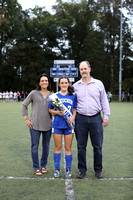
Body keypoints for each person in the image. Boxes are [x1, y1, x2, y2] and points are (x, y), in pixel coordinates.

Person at [73, 61, 110, 179]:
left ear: (90, 69)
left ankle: (98, 170)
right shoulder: (75, 86)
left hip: (95, 118)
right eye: (81, 69)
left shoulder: (98, 84)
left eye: (85, 68)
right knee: (81, 147)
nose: (83, 71)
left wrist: (106, 116)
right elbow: (73, 104)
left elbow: (104, 100)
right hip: (80, 119)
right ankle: (82, 170)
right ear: (79, 71)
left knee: (97, 146)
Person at [22, 73, 52, 176]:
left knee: (46, 146)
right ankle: (36, 168)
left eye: (46, 80)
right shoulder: (33, 93)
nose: (44, 82)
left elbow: (55, 109)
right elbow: (24, 105)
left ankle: (43, 166)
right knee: (35, 146)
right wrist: (26, 119)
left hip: (48, 125)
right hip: (34, 125)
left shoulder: (52, 95)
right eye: (42, 81)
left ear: (48, 82)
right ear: (39, 82)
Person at [49, 76, 77, 178]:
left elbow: (75, 109)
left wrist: (73, 117)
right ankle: (57, 169)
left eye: (66, 83)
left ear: (68, 84)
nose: (64, 85)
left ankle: (68, 169)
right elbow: (50, 110)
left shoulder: (73, 96)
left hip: (69, 125)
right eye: (62, 83)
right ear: (59, 84)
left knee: (68, 147)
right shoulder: (54, 96)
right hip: (57, 125)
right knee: (58, 147)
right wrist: (57, 112)